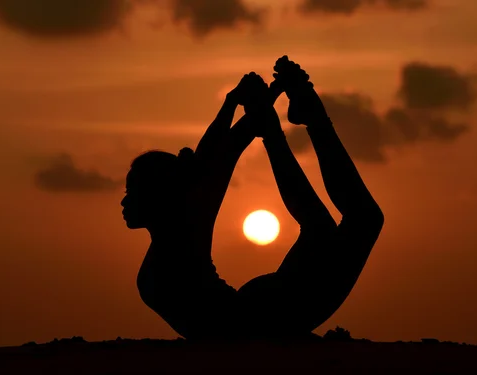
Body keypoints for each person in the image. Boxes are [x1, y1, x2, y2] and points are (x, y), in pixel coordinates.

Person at [120, 56, 384, 341]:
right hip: (267, 312)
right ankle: (310, 116)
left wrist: (242, 102)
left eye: (132, 192)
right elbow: (212, 158)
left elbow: (216, 156)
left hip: (266, 311)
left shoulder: (184, 224)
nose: (124, 202)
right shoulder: (185, 221)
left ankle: (308, 116)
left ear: (160, 195)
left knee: (351, 221)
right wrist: (245, 102)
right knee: (353, 221)